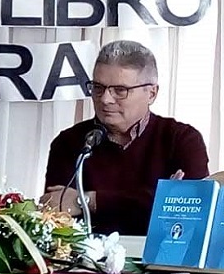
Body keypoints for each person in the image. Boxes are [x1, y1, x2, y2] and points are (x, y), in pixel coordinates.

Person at [42, 40, 209, 236]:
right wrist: (158, 198)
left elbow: (188, 214)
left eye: (120, 90)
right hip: (88, 261)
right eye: (98, 87)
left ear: (152, 93)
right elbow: (58, 213)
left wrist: (87, 200)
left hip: (163, 260)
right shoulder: (69, 142)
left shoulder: (183, 140)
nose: (105, 99)